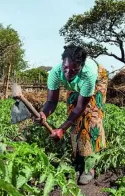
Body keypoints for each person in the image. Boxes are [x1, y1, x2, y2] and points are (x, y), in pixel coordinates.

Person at [34, 43, 108, 185]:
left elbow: (80, 107)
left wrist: (61, 129)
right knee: (73, 118)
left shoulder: (89, 73)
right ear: (62, 64)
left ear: (81, 67)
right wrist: (44, 114)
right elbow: (51, 101)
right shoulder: (56, 73)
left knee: (90, 116)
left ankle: (89, 166)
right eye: (66, 68)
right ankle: (78, 160)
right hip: (77, 85)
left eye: (73, 70)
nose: (68, 73)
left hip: (98, 79)